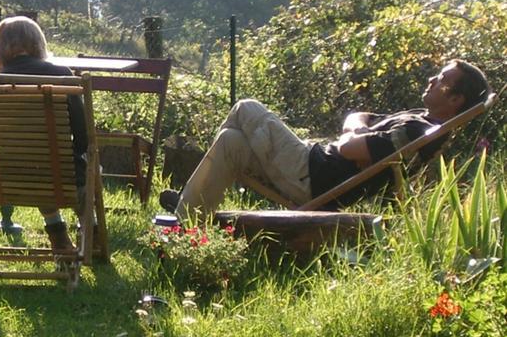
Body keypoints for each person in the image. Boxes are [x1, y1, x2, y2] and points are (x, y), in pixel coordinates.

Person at [160, 59, 491, 219]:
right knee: (232, 140)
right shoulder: (416, 119)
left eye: (442, 79)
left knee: (246, 108)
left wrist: (354, 140)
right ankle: (188, 218)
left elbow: (350, 147)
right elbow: (356, 119)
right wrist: (357, 135)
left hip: (311, 176)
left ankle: (189, 210)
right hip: (310, 165)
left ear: (455, 100)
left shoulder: (418, 134)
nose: (433, 78)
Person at [0, 15, 88, 253]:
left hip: (10, 176)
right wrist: (76, 152)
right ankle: (91, 231)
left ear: (1, 48)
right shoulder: (61, 75)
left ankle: (58, 235)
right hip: (63, 173)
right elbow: (83, 135)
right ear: (38, 42)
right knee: (72, 166)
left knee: (35, 165)